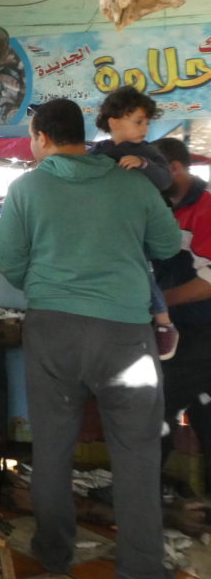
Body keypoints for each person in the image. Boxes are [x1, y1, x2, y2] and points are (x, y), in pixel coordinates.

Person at [0, 99, 179, 579]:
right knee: (137, 451)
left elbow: (11, 264)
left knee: (53, 447)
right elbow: (165, 244)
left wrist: (50, 281)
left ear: (41, 138)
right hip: (126, 334)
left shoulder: (26, 188)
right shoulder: (133, 183)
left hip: (53, 329)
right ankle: (141, 566)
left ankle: (55, 552)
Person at [91, 86, 175, 351]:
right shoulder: (99, 152)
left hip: (144, 226)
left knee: (141, 269)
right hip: (114, 225)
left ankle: (163, 321)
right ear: (114, 122)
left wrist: (143, 165)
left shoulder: (148, 153)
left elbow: (165, 181)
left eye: (147, 123)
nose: (145, 129)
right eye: (139, 122)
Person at [151, 137, 211, 495]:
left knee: (159, 411)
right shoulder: (158, 207)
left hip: (201, 332)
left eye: (155, 171)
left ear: (174, 168)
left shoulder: (205, 209)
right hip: (171, 331)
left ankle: (144, 499)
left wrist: (159, 301)